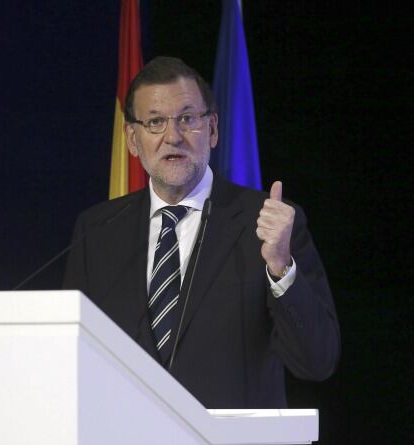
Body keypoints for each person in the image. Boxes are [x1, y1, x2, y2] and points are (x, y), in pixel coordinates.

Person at [63, 56, 340, 408]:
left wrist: (281, 269)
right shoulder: (97, 231)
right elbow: (74, 359)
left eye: (187, 119)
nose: (172, 136)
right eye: (155, 122)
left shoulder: (270, 225)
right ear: (132, 139)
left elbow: (317, 362)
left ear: (212, 130)